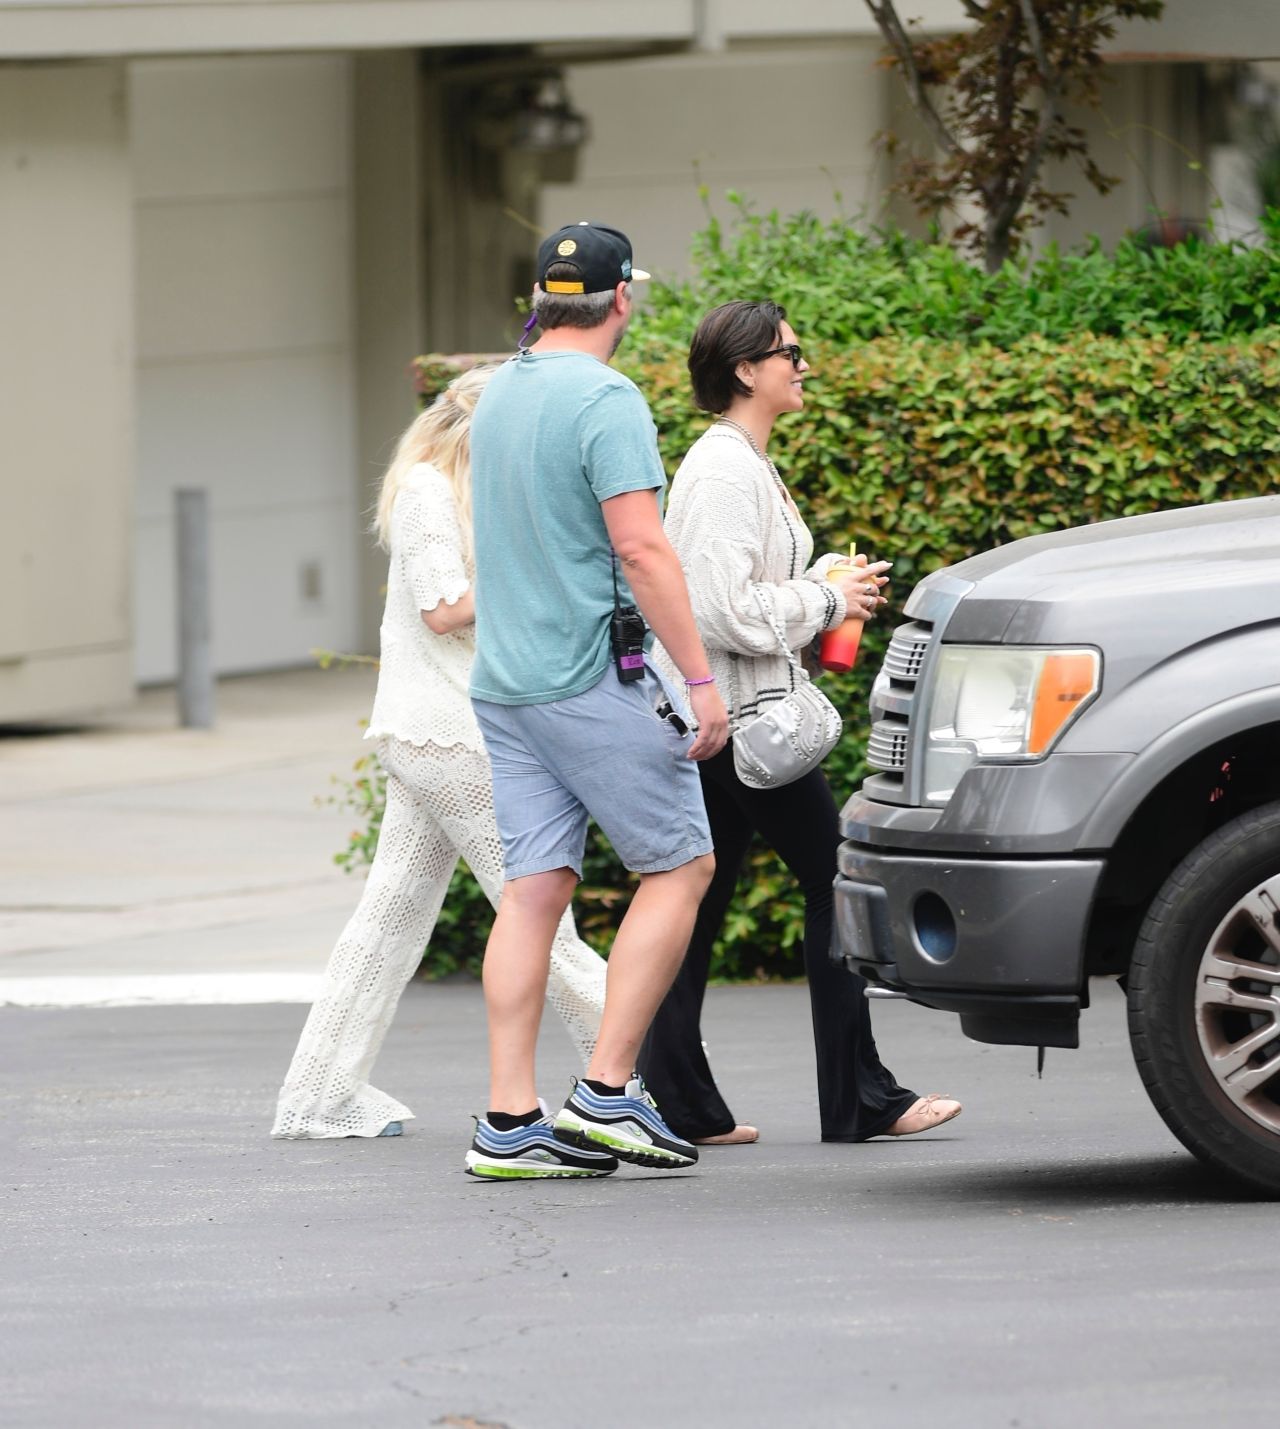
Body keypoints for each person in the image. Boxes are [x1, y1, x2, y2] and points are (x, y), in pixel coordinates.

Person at [637, 299, 962, 1145]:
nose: (803, 365)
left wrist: (825, 586)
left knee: (696, 901)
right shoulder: (722, 472)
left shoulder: (742, 463)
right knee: (834, 884)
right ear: (747, 370)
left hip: (726, 721)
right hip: (741, 722)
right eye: (792, 352)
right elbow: (718, 609)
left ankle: (679, 1102)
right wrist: (827, 597)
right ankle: (860, 1099)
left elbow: (735, 594)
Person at [271, 365, 608, 1140]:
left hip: (438, 735)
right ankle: (628, 1083)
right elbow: (444, 611)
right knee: (542, 924)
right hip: (451, 736)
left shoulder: (474, 491)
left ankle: (319, 1096)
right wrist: (538, 571)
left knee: (389, 917)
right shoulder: (428, 490)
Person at [463, 221, 730, 1180]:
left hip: (505, 682)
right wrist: (700, 681)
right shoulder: (607, 398)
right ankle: (606, 1094)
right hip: (590, 676)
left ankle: (508, 1119)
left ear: (542, 299)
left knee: (532, 893)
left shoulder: (497, 391)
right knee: (683, 865)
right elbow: (643, 549)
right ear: (623, 298)